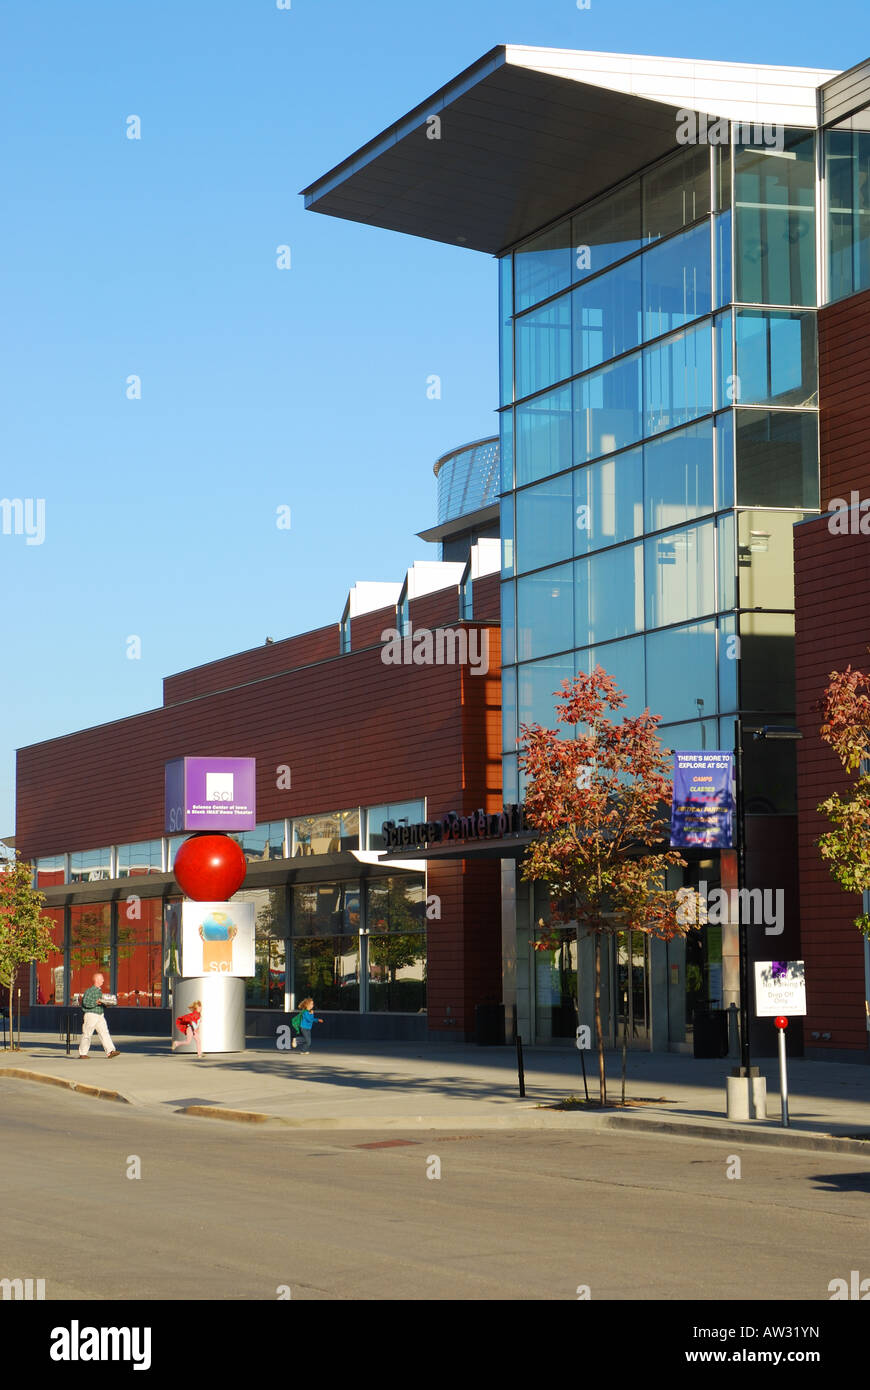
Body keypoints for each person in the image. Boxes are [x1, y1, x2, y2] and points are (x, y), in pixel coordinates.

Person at [78, 973, 120, 1059]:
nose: (103, 981)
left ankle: (110, 1051)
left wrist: (106, 1004)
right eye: (102, 979)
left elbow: (100, 1003)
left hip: (100, 1014)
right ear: (96, 980)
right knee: (87, 1034)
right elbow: (85, 1003)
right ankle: (83, 1053)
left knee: (104, 1032)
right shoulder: (90, 991)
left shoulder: (99, 991)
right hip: (91, 1015)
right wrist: (96, 1003)